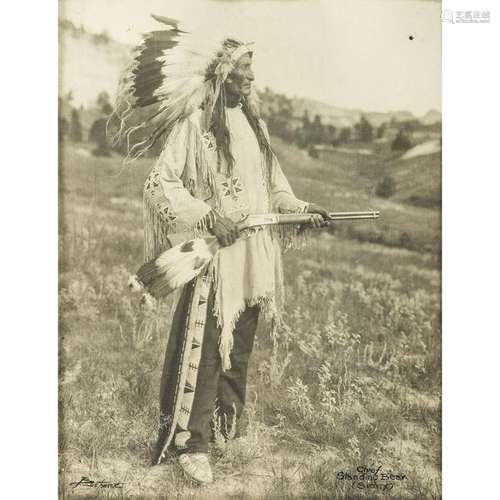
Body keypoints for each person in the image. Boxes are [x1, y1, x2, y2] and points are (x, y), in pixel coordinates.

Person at [113, 16, 329, 485]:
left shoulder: (256, 126)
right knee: (208, 349)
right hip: (217, 260)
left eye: (252, 70)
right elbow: (160, 184)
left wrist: (304, 209)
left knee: (241, 344)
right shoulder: (195, 125)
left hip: (254, 256)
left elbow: (276, 190)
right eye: (243, 70)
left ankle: (224, 431)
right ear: (221, 74)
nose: (251, 78)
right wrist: (209, 215)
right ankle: (191, 443)